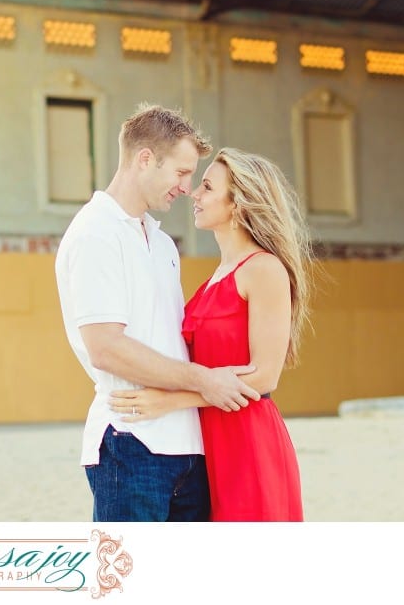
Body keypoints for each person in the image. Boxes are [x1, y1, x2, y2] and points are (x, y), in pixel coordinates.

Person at [55, 105, 260, 523]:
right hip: (131, 444)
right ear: (145, 159)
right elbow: (106, 349)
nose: (186, 188)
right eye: (182, 173)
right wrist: (205, 380)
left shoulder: (163, 244)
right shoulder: (96, 233)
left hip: (190, 447)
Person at [109, 147, 313, 521]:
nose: (193, 194)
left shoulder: (263, 269)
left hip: (248, 441)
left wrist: (170, 401)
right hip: (208, 443)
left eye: (206, 187)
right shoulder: (213, 279)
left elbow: (265, 376)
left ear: (238, 205)